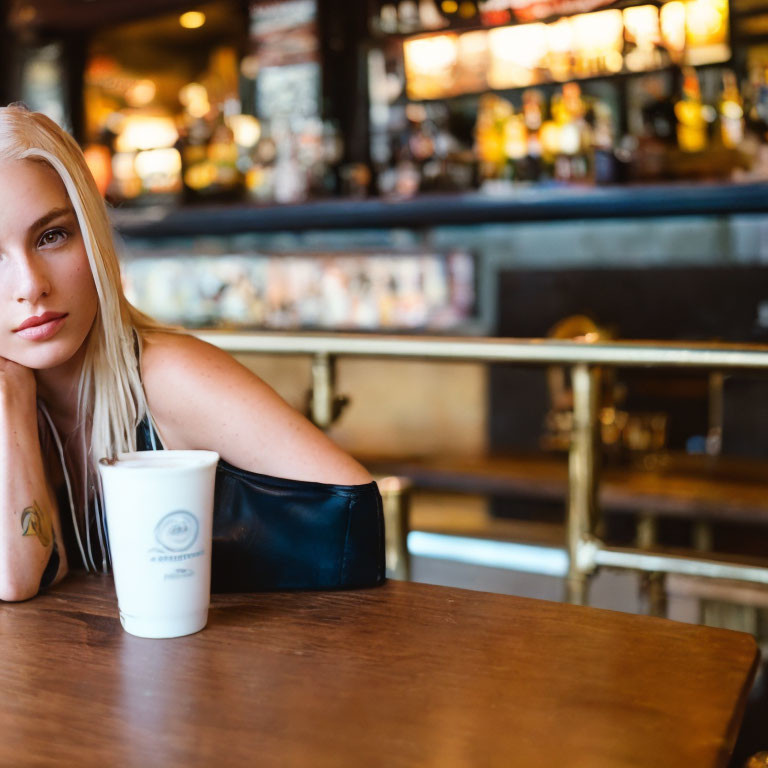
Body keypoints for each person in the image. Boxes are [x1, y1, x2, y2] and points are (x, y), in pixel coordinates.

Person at [0, 103, 384, 602]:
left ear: (92, 236)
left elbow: (353, 522)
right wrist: (9, 401)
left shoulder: (168, 375)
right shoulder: (11, 390)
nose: (30, 285)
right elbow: (17, 576)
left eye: (52, 236)